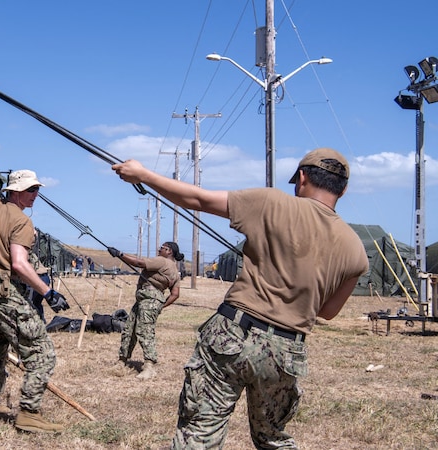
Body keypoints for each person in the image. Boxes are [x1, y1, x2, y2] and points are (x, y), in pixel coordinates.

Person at [112, 147, 368, 448]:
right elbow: (327, 312)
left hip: (232, 334)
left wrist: (143, 176)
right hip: (286, 352)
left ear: (301, 177)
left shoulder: (272, 203)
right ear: (344, 189)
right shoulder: (356, 251)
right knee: (272, 439)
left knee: (200, 435)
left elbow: (198, 199)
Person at [0, 169, 70, 434]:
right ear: (16, 191)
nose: (36, 195)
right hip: (3, 290)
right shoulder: (22, 221)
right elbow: (20, 264)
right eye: (32, 190)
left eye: (37, 190)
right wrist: (48, 293)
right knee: (42, 353)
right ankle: (29, 414)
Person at [107, 241, 184, 379]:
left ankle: (149, 366)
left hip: (149, 299)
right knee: (129, 329)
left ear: (169, 251)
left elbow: (139, 263)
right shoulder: (175, 271)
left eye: (162, 248)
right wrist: (161, 305)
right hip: (146, 300)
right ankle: (122, 361)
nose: (159, 249)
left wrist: (119, 254)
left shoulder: (163, 261)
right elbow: (175, 294)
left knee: (145, 331)